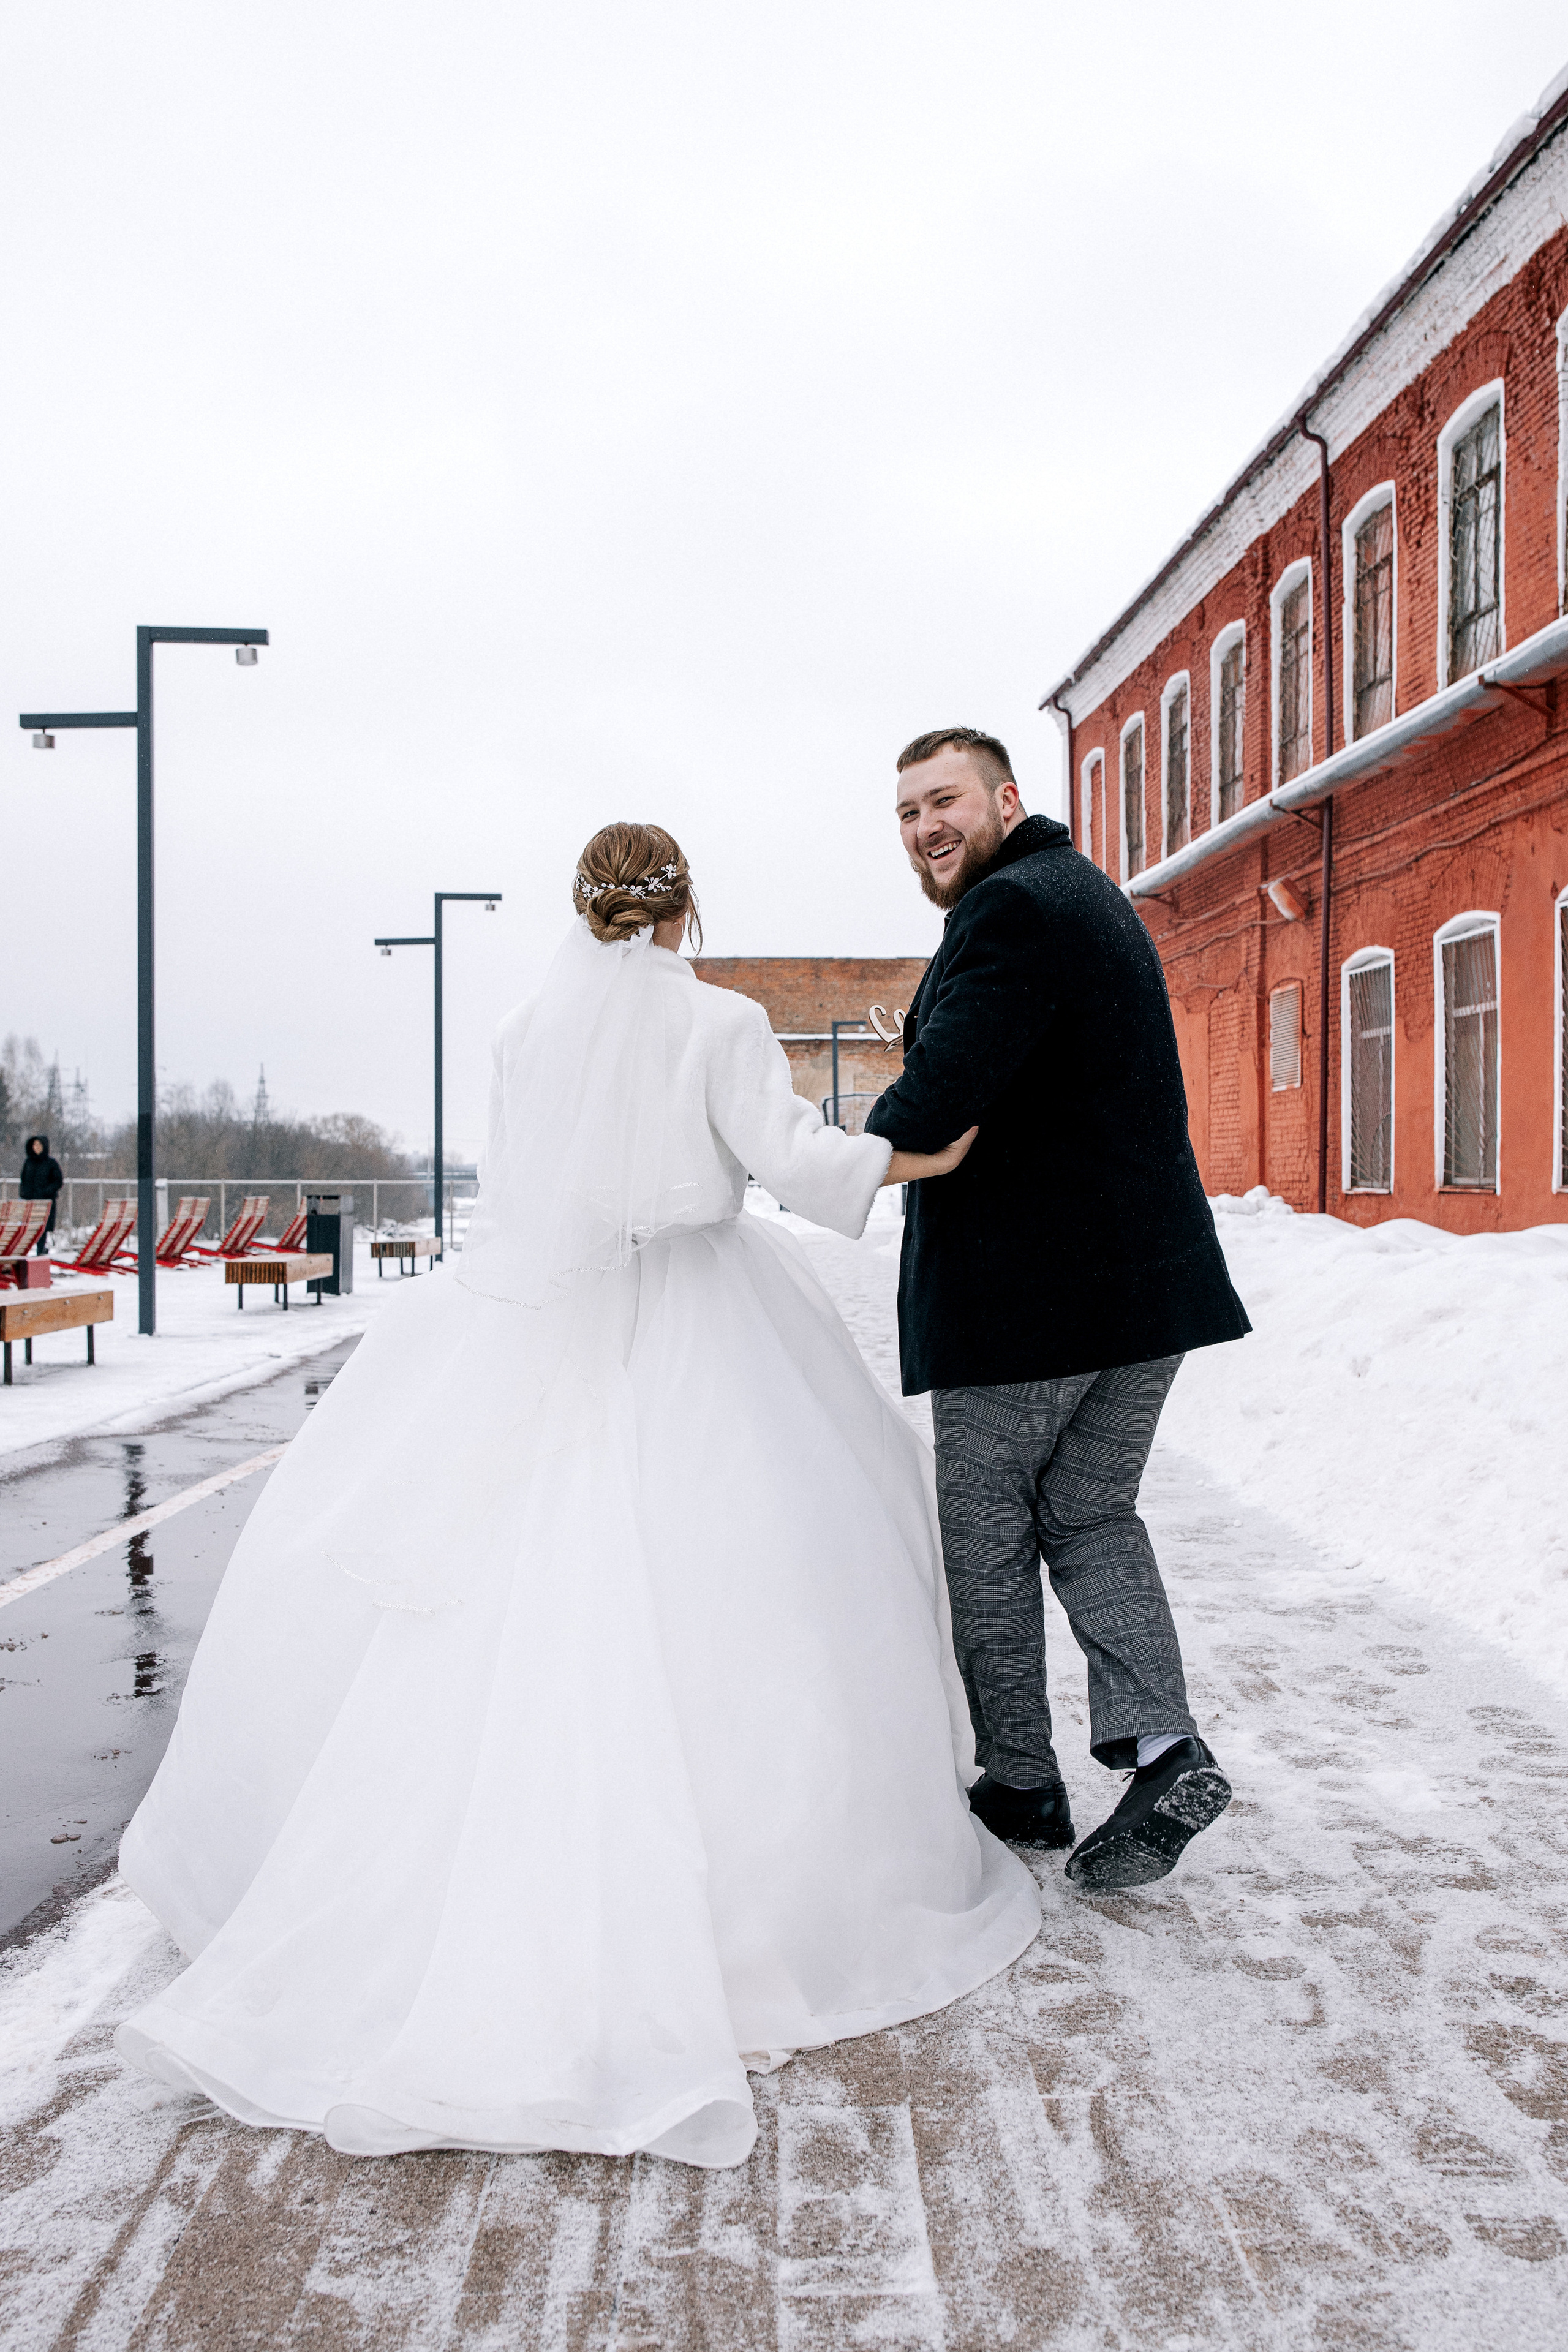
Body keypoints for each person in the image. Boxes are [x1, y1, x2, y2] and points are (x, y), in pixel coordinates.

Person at [116, 823, 1039, 2169]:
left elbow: (525, 1188)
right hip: (702, 1318)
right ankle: (748, 1913)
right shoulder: (720, 1024)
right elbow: (792, 1163)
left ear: (578, 909)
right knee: (747, 1589)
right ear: (685, 908)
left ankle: (450, 1906)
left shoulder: (518, 1030)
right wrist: (922, 1157)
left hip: (536, 1318)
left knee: (499, 1594)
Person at [865, 729, 1251, 1894]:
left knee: (985, 1534)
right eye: (905, 812)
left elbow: (935, 1109)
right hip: (1146, 1296)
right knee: (1089, 1516)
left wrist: (808, 1160)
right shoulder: (1083, 897)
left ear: (1006, 799)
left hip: (1033, 1308)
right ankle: (1161, 1747)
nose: (926, 826)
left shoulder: (1011, 912)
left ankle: (1020, 1785)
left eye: (944, 801)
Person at [20, 1134, 63, 1253]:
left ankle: (40, 1251)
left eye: (39, 1145)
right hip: (31, 1202)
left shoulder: (51, 1163)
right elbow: (23, 1179)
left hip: (45, 1202)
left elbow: (58, 1181)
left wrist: (46, 1192)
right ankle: (31, 1251)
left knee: (42, 1228)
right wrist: (24, 1193)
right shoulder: (29, 1162)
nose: (36, 1147)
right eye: (35, 1145)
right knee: (30, 1228)